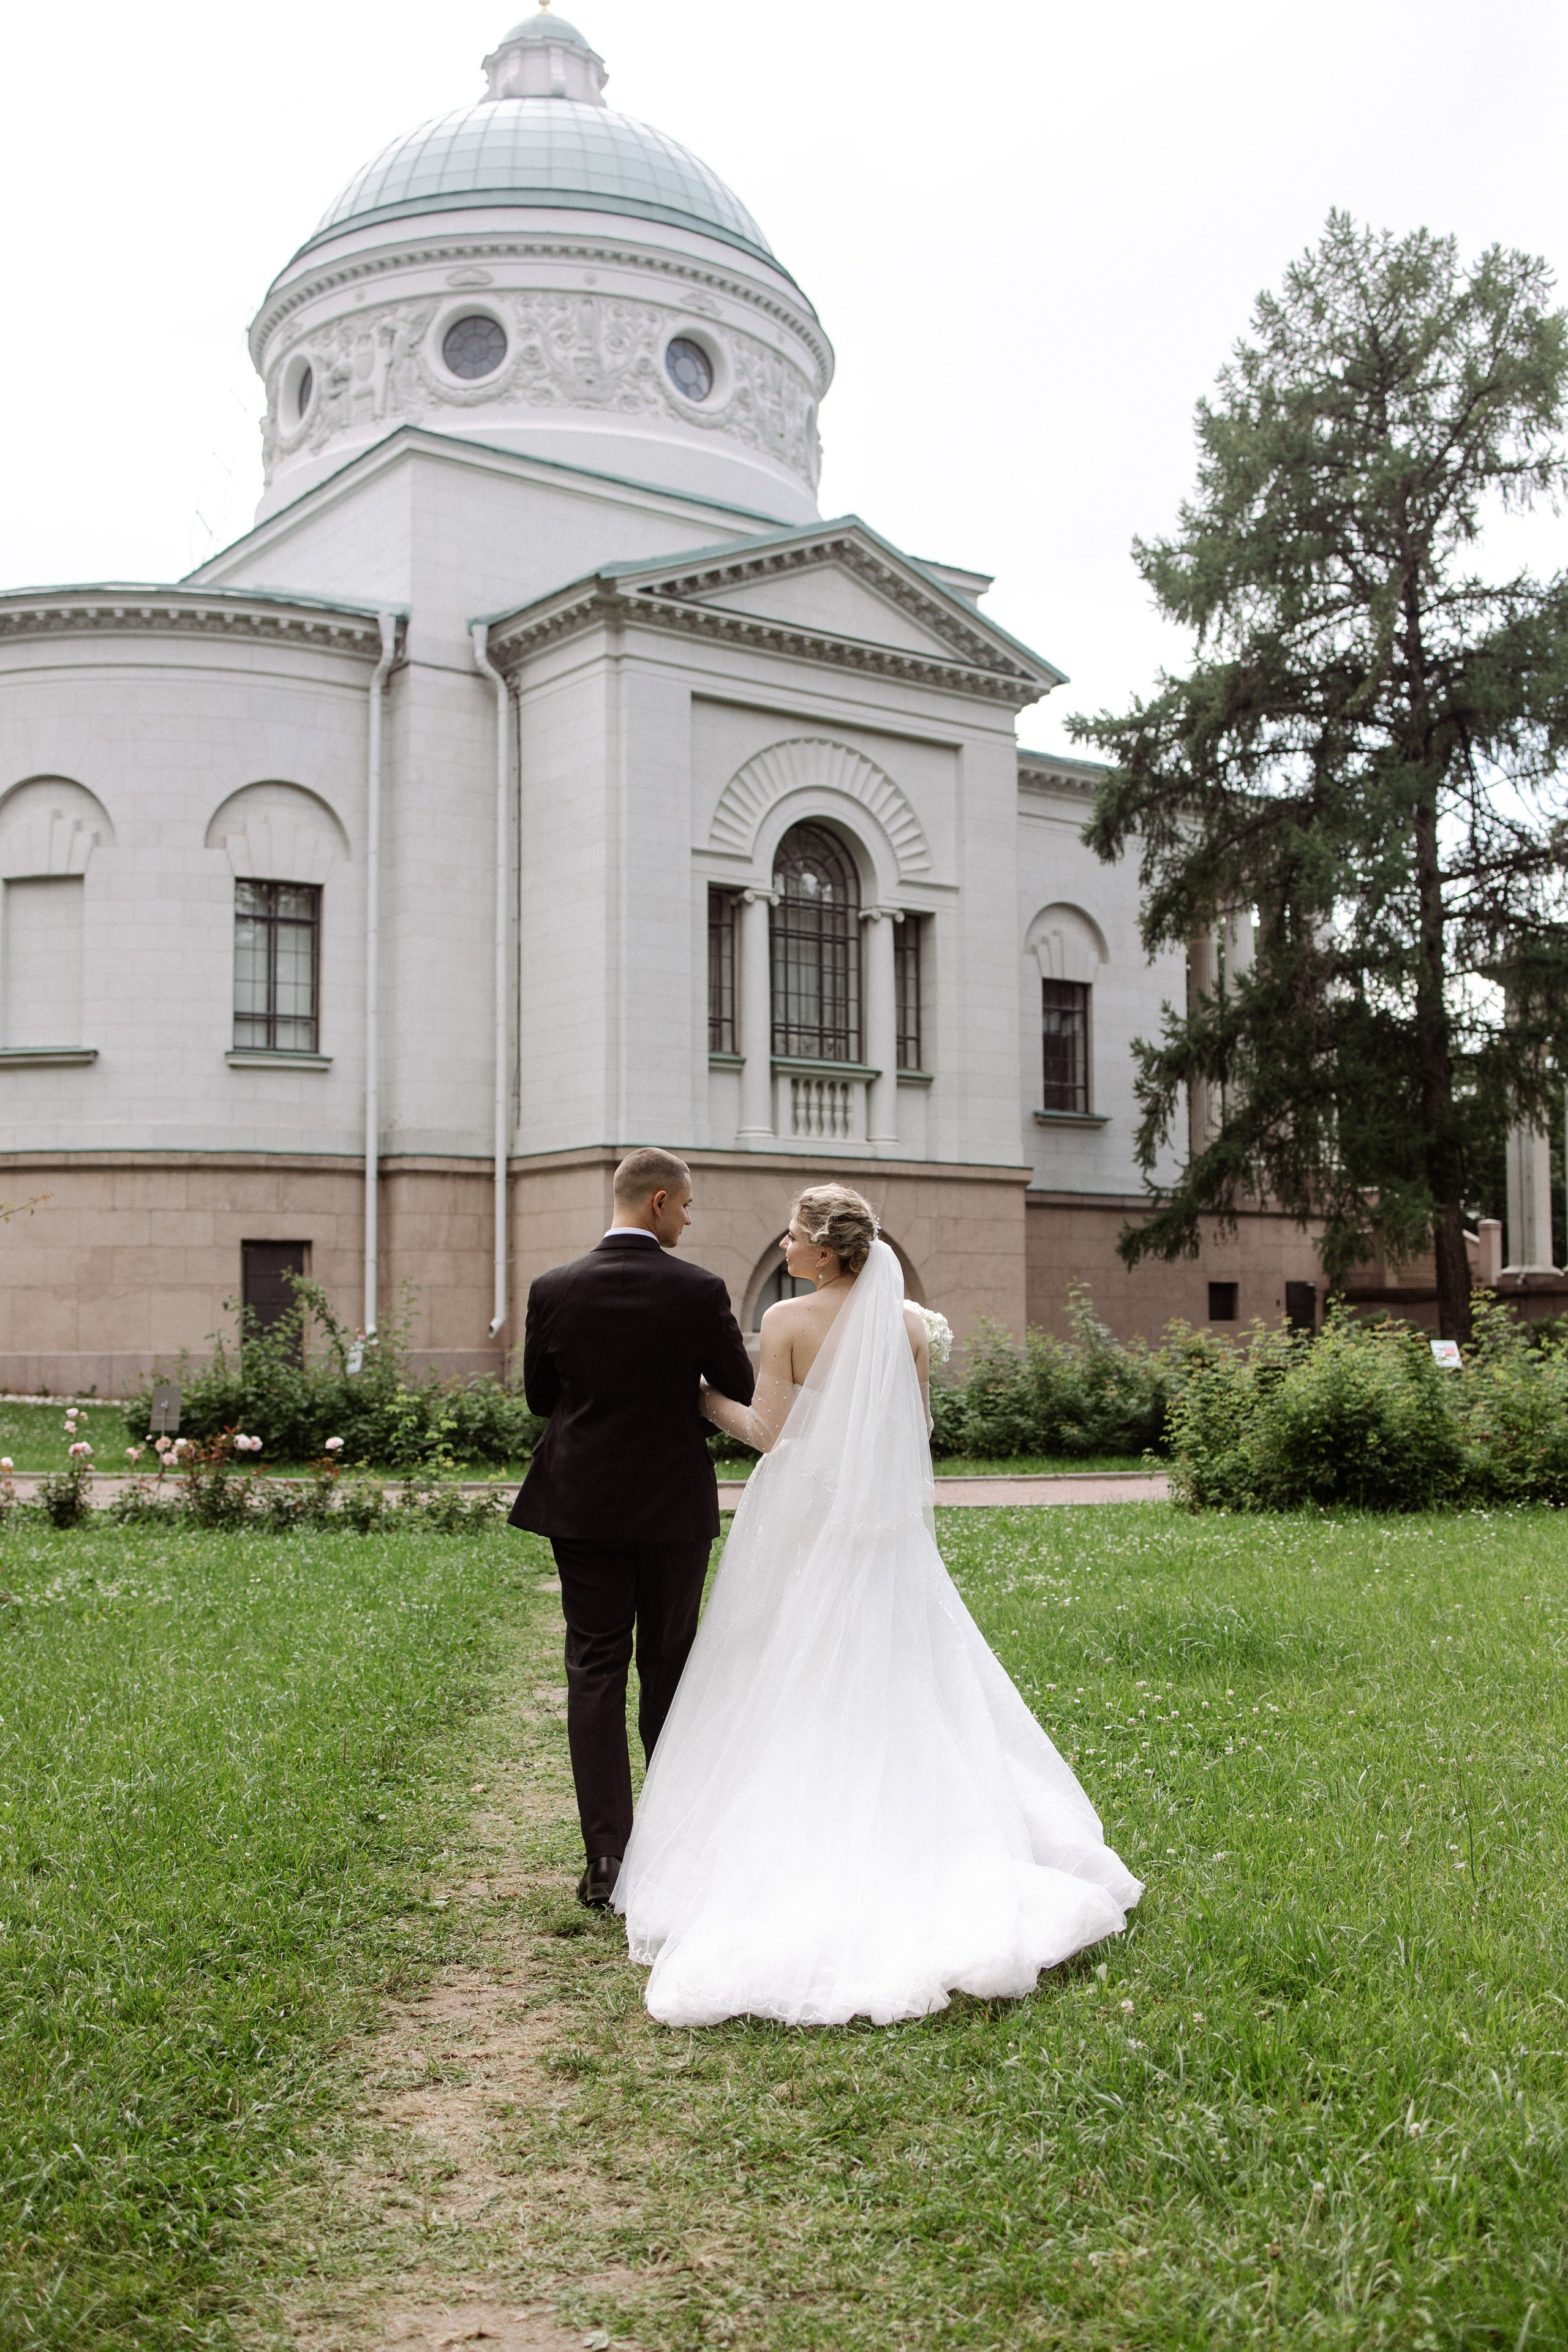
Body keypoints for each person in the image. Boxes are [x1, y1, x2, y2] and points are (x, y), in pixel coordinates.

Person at [614, 1182, 1142, 2027]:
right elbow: (913, 1433)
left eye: (793, 1237)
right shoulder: (908, 1325)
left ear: (826, 1251)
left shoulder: (787, 1321)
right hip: (882, 1529)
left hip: (808, 1522)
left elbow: (769, 1434)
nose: (784, 1247)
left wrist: (700, 1397)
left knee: (790, 1667)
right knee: (898, 1670)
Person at [510, 1147, 755, 1911]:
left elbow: (539, 1398)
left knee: (594, 1668)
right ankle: (674, 1846)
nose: (689, 1219)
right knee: (668, 1664)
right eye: (686, 1205)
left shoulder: (553, 1288)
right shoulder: (699, 1290)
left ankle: (606, 1857)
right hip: (672, 1506)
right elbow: (739, 1388)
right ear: (657, 1201)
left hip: (581, 1504)